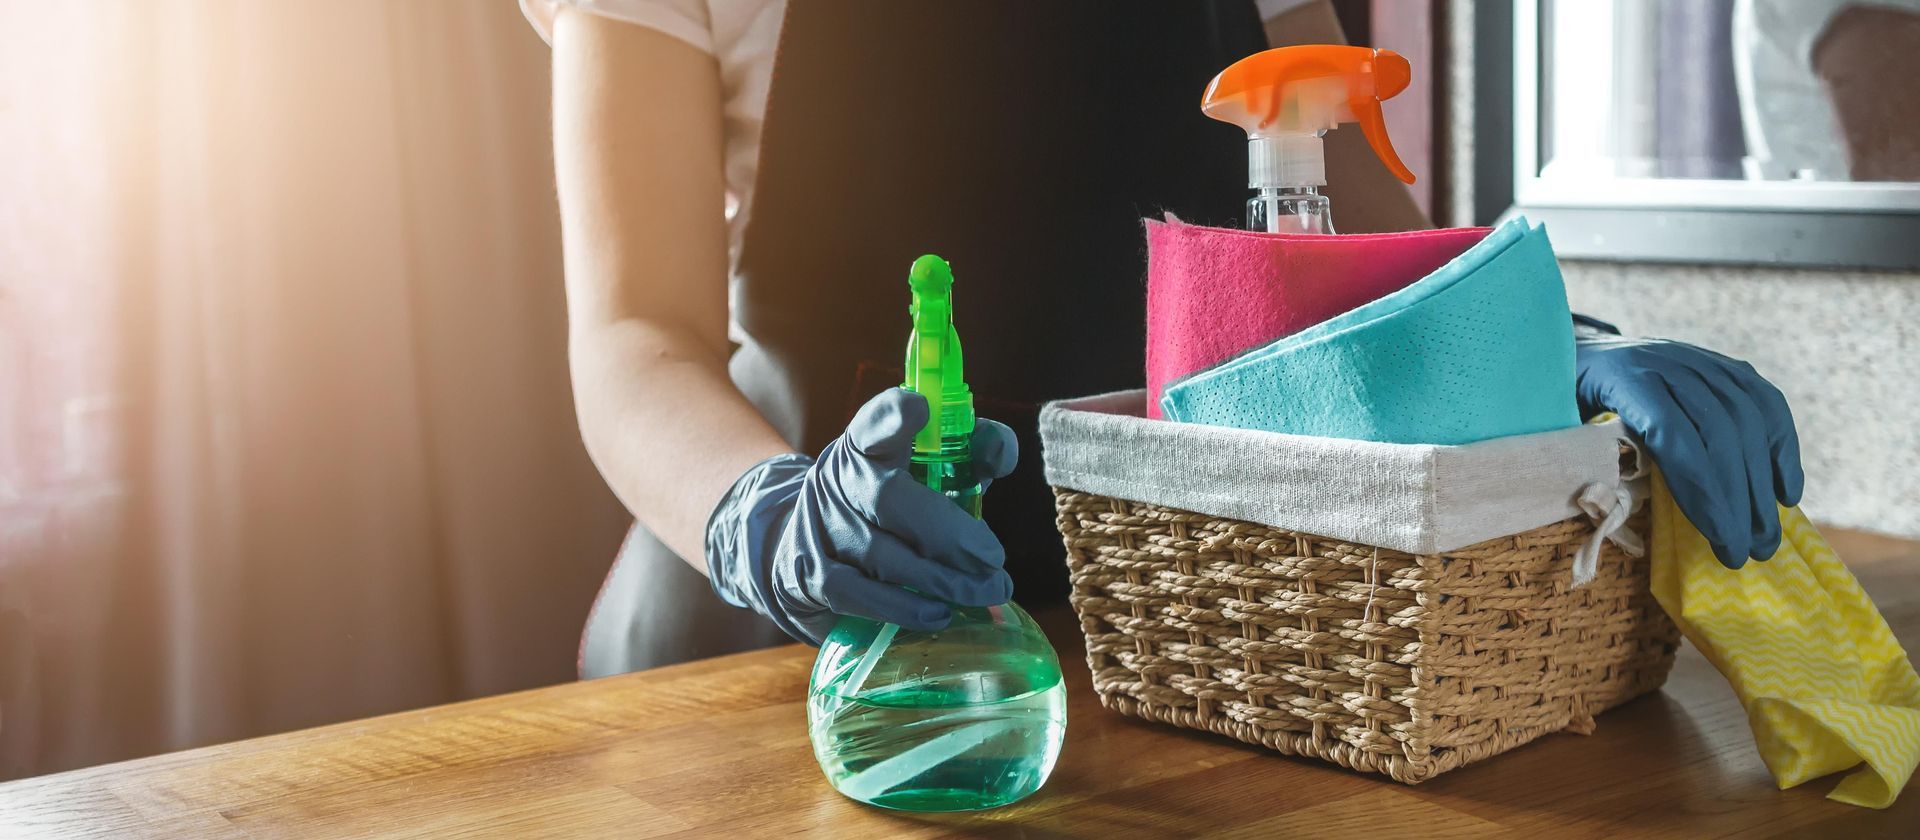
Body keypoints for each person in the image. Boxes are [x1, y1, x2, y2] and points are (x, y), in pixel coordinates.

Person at [523, 0, 1803, 677]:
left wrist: (1550, 346)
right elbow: (637, 331)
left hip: (1170, 634)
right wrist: (767, 517)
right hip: (799, 645)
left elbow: (1347, 238)